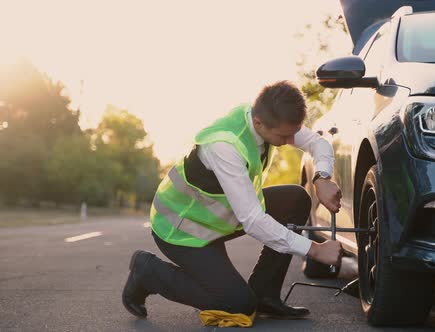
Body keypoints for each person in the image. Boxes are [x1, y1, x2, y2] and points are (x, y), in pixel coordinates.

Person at [122, 80, 343, 321]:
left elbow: (317, 142)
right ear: (259, 123)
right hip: (183, 231)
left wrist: (321, 178)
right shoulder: (224, 146)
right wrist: (314, 250)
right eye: (285, 136)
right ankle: (147, 271)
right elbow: (253, 221)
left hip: (220, 219)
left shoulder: (268, 116)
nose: (291, 140)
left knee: (296, 198)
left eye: (293, 133)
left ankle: (265, 295)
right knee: (237, 305)